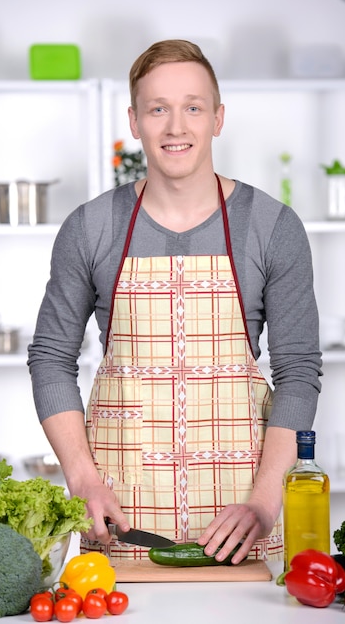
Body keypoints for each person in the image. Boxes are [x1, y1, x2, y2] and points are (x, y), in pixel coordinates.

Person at [28, 39, 322, 565]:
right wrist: (83, 479)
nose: (176, 126)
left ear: (218, 118)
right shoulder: (90, 228)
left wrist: (263, 502)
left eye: (193, 107)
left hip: (241, 518)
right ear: (135, 121)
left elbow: (299, 370)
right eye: (158, 108)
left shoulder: (273, 226)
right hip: (120, 515)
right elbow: (50, 358)